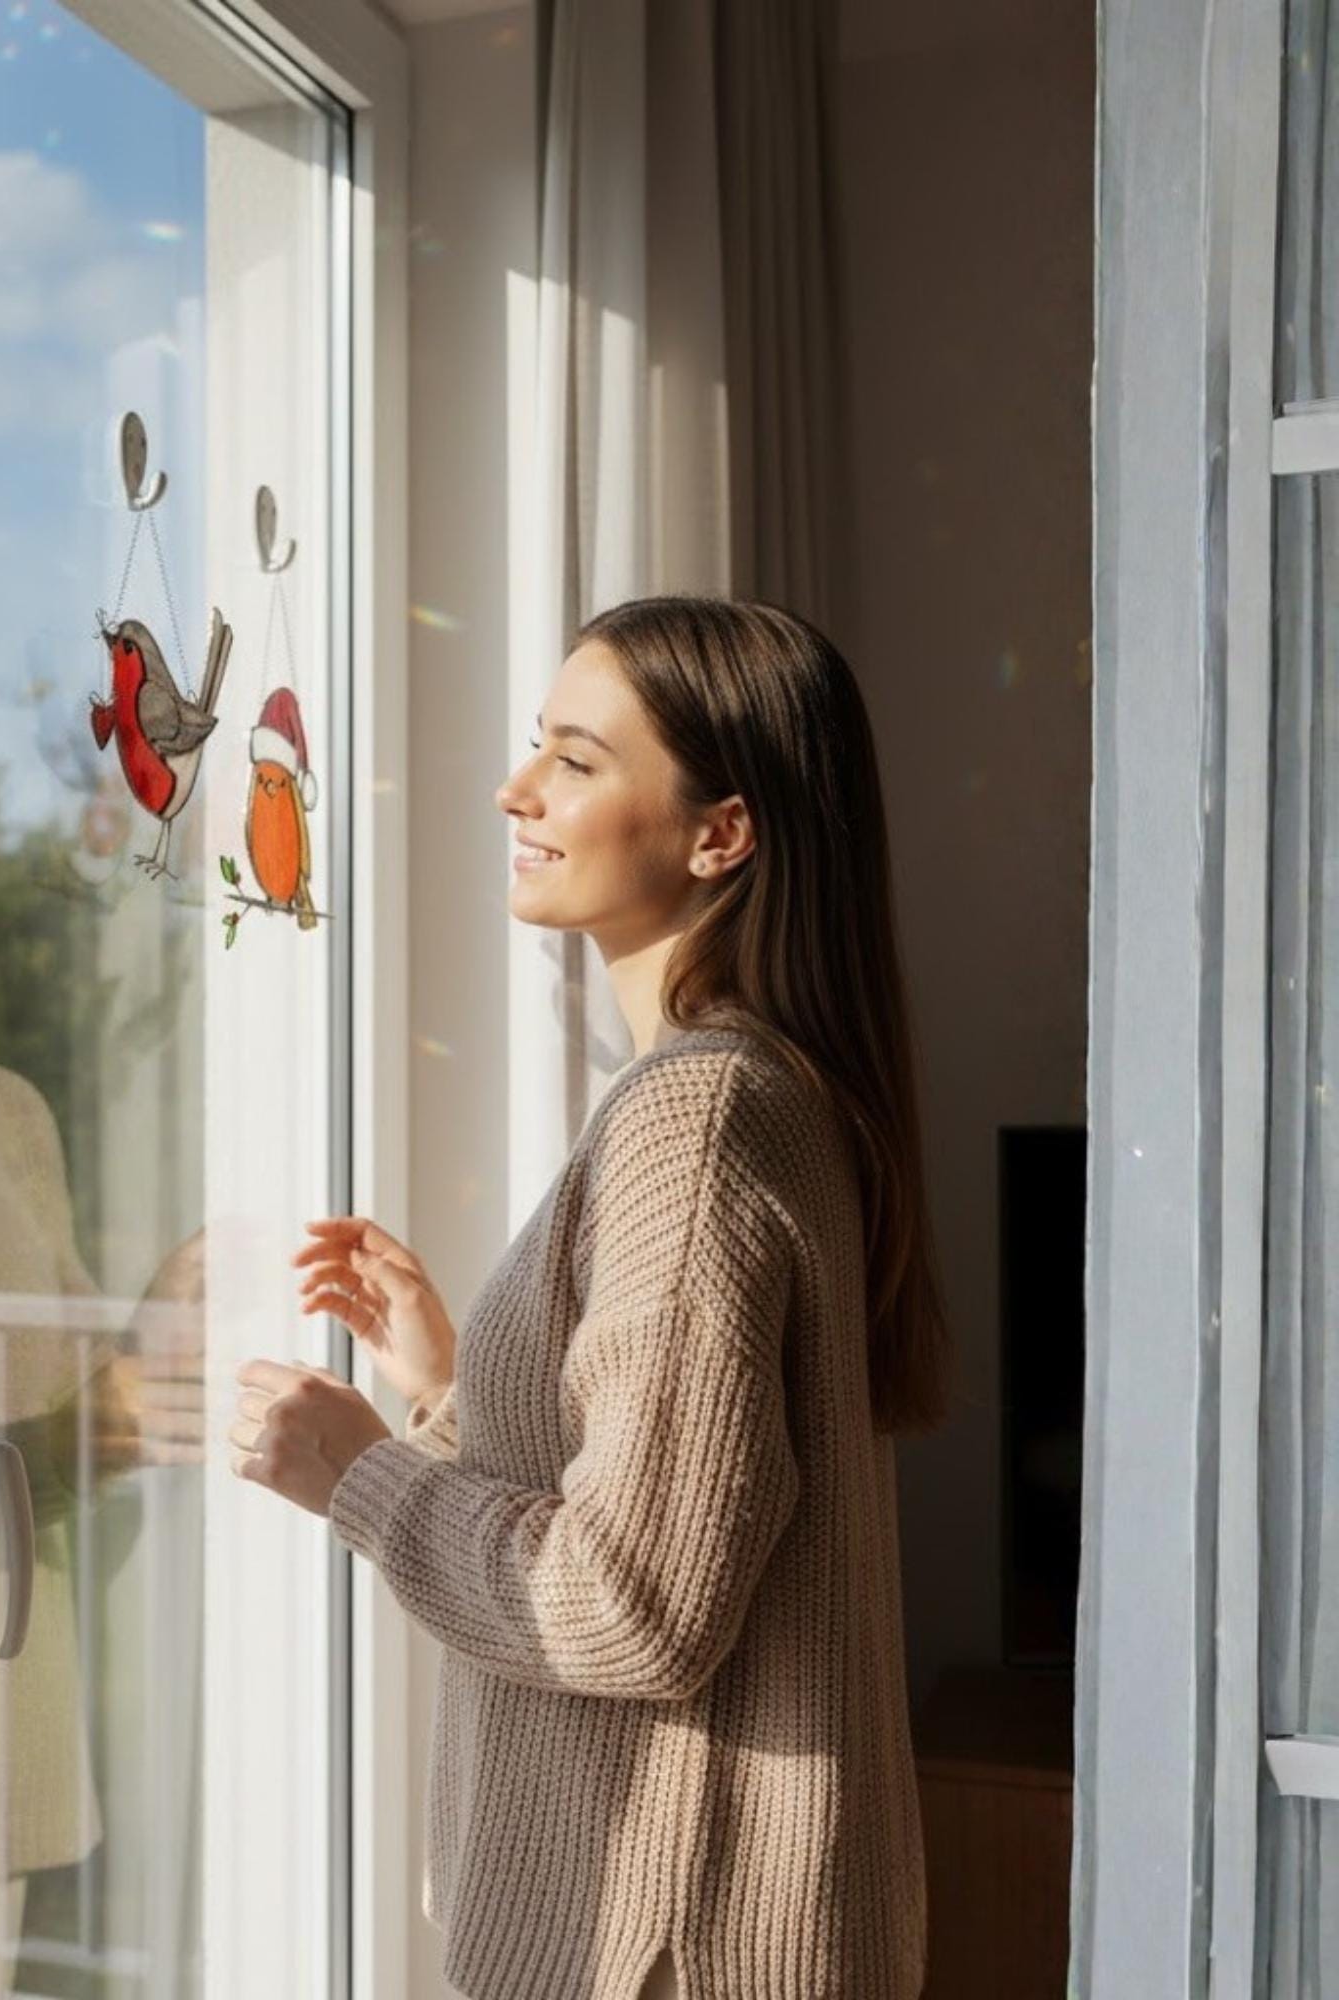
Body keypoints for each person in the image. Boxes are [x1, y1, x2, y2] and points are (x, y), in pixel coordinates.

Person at [225, 596, 950, 2000]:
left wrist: (360, 1476)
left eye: (574, 759)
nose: (517, 790)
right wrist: (455, 1388)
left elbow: (630, 1607)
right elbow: (692, 1500)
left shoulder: (701, 1113)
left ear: (718, 834)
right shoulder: (777, 1089)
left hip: (670, 1950)